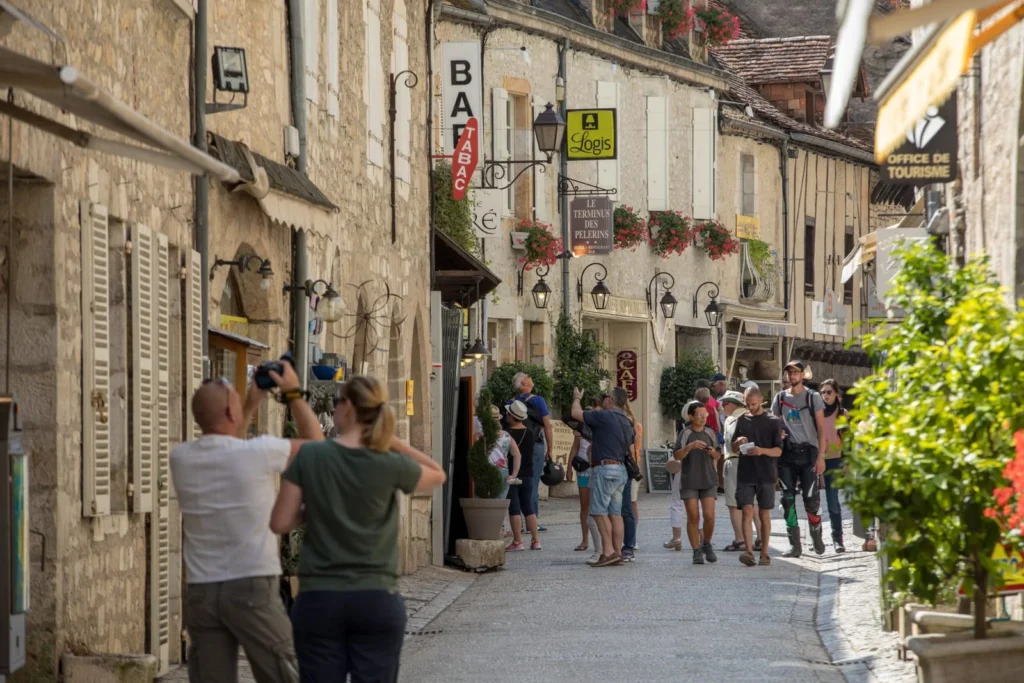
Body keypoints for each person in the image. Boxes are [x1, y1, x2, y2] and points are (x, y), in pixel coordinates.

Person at [269, 376, 446, 681]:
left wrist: (313, 510)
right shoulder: (388, 462)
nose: (334, 409)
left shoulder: (311, 456)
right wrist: (392, 441)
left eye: (336, 403)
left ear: (348, 407)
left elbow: (280, 522)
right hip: (376, 597)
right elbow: (437, 474)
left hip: (320, 598)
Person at [170, 360, 323, 683]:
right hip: (251, 585)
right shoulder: (258, 453)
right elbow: (319, 449)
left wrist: (250, 403)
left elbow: (229, 446)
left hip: (202, 591)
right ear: (230, 414)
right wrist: (294, 393)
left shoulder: (181, 458)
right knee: (286, 673)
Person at [571, 386, 633, 568]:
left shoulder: (605, 416)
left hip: (605, 468)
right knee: (615, 513)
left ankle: (607, 552)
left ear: (610, 401)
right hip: (621, 470)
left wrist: (576, 397)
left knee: (598, 511)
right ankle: (617, 551)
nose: (605, 400)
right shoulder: (626, 420)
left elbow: (575, 413)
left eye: (607, 397)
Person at [771, 360, 828, 558]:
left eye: (796, 372)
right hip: (787, 454)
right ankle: (795, 545)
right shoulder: (779, 399)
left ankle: (816, 535)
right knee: (787, 500)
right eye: (789, 373)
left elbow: (822, 429)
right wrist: (779, 435)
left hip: (809, 453)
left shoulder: (813, 398)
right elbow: (774, 425)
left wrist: (821, 457)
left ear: (803, 375)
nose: (792, 376)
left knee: (811, 500)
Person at [732, 385, 784, 567]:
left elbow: (778, 451)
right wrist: (738, 442)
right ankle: (748, 551)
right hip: (746, 473)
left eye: (753, 404)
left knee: (764, 513)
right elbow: (733, 447)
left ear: (761, 400)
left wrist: (761, 450)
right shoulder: (742, 419)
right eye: (747, 404)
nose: (750, 407)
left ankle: (764, 552)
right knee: (746, 510)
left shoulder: (772, 421)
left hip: (766, 474)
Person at [667, 402, 721, 565]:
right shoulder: (685, 433)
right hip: (689, 479)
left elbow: (718, 454)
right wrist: (689, 447)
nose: (703, 417)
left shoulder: (710, 432)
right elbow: (677, 456)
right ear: (690, 416)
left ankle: (707, 543)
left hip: (708, 479)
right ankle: (696, 550)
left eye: (705, 414)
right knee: (693, 516)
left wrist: (713, 453)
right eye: (699, 414)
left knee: (709, 516)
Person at [506, 373, 554, 532]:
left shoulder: (510, 403)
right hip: (533, 445)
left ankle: (517, 523)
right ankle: (532, 523)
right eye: (529, 376)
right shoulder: (537, 400)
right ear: (525, 382)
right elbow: (547, 425)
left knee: (515, 481)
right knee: (531, 483)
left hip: (513, 445)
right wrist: (551, 449)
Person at [504, 400, 541, 551]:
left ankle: (518, 541)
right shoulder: (530, 432)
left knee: (514, 508)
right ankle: (536, 540)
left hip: (512, 473)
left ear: (512, 416)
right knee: (528, 507)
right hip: (528, 472)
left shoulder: (507, 434)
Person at [568, 396, 602, 554]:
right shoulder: (581, 428)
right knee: (584, 505)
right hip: (583, 468)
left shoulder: (602, 426)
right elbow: (575, 448)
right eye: (590, 406)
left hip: (597, 468)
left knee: (599, 506)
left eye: (595, 406)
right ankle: (585, 539)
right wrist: (568, 467)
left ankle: (601, 538)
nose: (591, 409)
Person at [664, 400, 700, 551]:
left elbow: (678, 453)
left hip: (684, 468)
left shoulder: (684, 430)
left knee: (677, 502)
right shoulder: (707, 430)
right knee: (700, 505)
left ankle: (677, 537)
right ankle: (702, 538)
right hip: (701, 470)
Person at [720, 390, 751, 552]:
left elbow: (730, 443)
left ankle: (740, 540)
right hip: (753, 462)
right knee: (754, 504)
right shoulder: (752, 416)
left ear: (731, 404)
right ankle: (759, 539)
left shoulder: (731, 419)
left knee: (733, 503)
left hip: (735, 461)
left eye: (724, 404)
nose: (722, 407)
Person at [820, 379, 848, 553]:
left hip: (834, 460)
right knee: (813, 503)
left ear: (836, 393)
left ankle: (837, 539)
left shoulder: (842, 414)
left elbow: (848, 439)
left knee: (832, 502)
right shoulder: (817, 412)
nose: (825, 395)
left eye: (829, 392)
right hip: (817, 459)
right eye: (823, 392)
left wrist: (846, 461)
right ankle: (816, 539)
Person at [619, 400, 643, 562]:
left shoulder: (634, 424)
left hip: (630, 467)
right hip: (631, 465)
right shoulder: (634, 423)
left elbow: (636, 447)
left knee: (630, 504)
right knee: (629, 504)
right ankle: (629, 538)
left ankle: (631, 538)